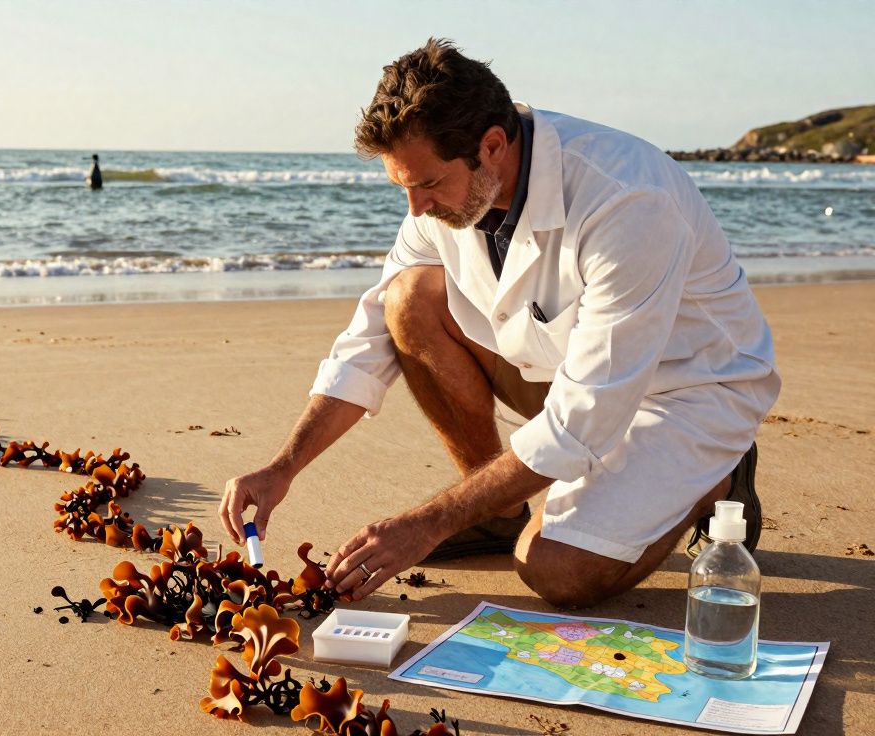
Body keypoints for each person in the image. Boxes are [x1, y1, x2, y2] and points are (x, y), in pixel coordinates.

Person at [217, 38, 779, 609]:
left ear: (491, 146)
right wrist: (282, 468)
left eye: (427, 184)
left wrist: (429, 521)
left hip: (687, 390)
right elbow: (370, 339)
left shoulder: (628, 200)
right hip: (562, 364)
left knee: (557, 571)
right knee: (407, 300)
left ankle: (720, 477)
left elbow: (584, 418)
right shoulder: (445, 194)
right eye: (402, 186)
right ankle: (496, 514)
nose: (415, 208)